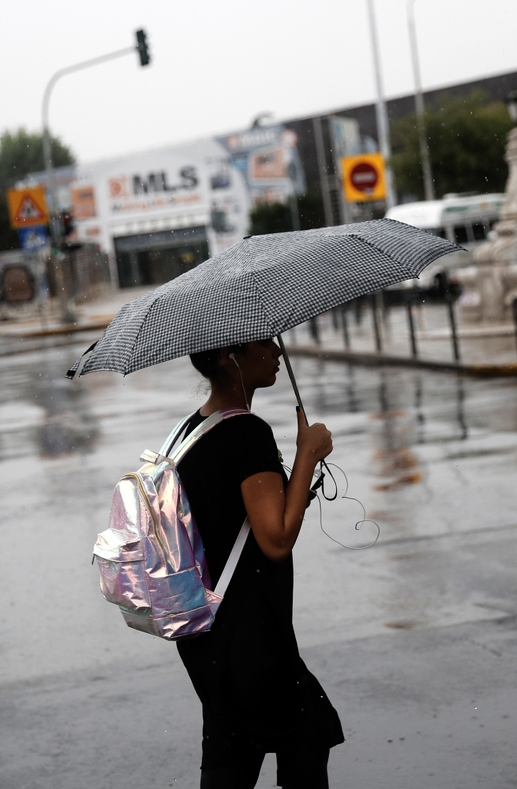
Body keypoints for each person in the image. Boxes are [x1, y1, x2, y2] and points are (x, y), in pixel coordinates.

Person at [175, 338, 344, 789]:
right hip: (248, 634)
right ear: (231, 358)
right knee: (305, 731)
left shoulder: (191, 431)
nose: (276, 351)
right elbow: (275, 539)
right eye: (262, 345)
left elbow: (229, 520)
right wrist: (308, 453)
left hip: (206, 634)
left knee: (235, 747)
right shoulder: (246, 432)